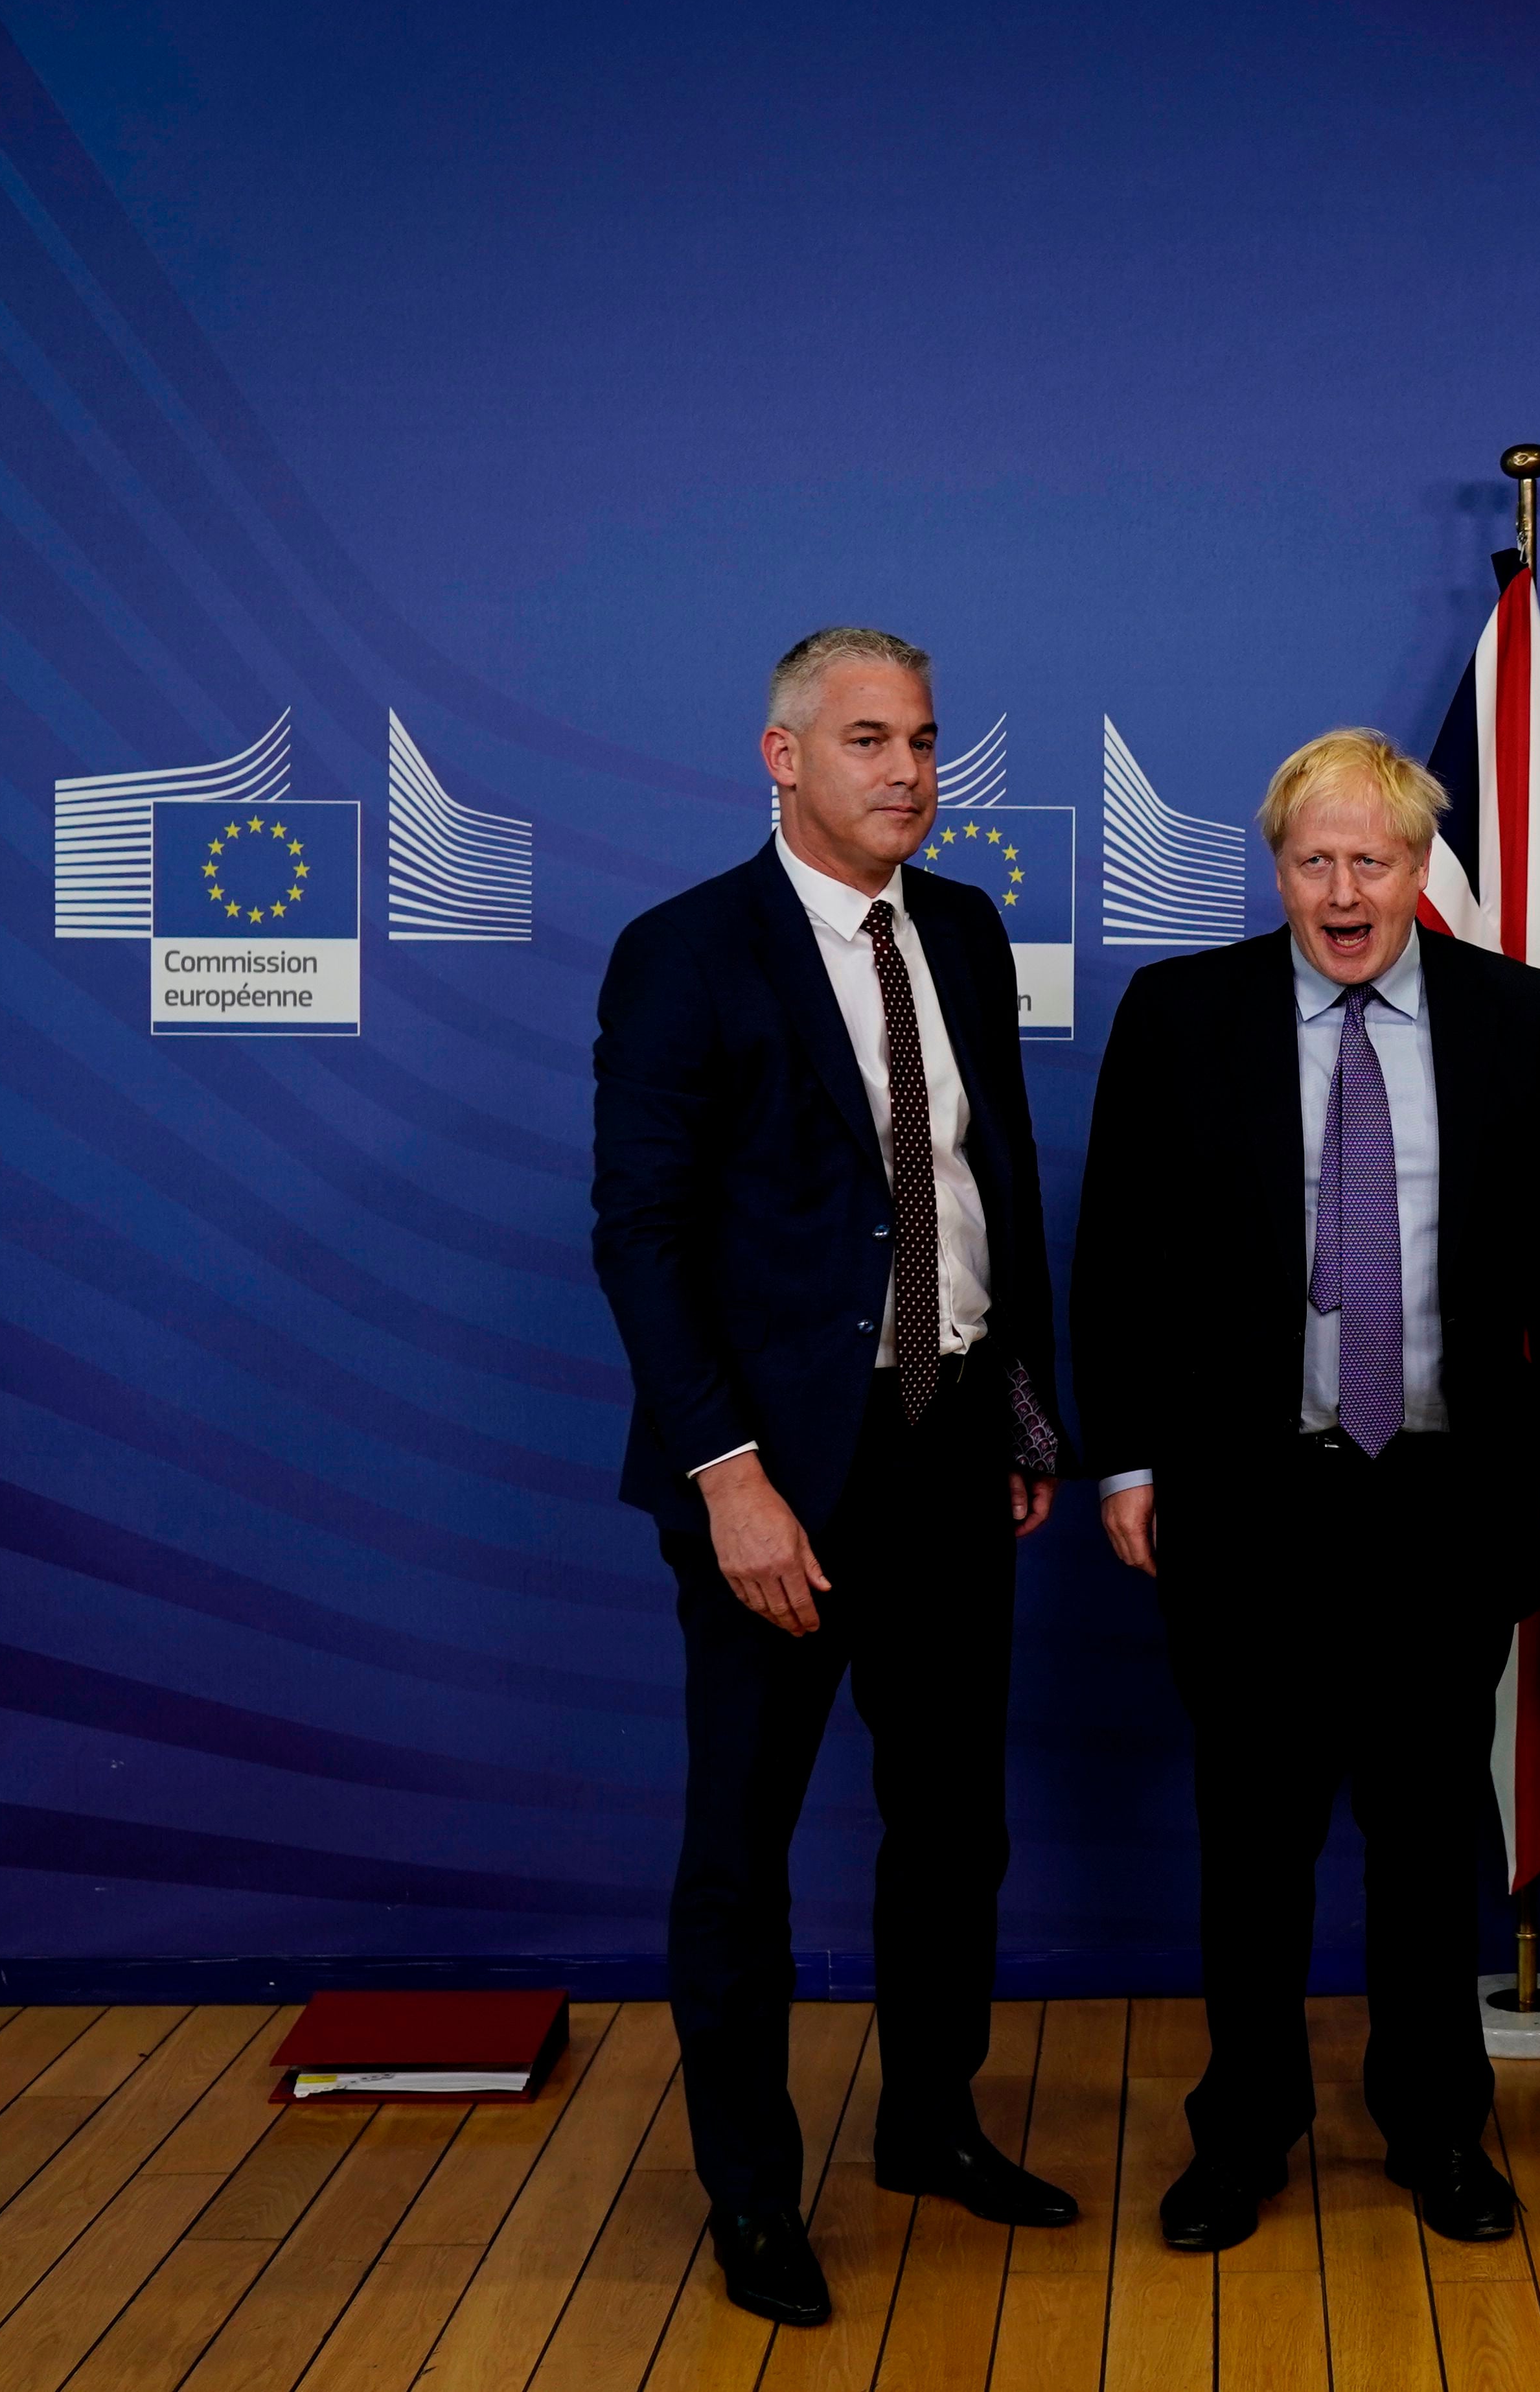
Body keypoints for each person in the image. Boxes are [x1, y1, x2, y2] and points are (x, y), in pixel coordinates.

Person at [1072, 728, 1540, 2255]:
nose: (1343, 888)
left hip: (1445, 1499)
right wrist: (1125, 1455)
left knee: (1430, 1841)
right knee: (1252, 1843)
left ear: (1420, 868)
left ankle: (1439, 2127)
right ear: (1278, 870)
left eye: (1371, 858)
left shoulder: (1514, 1014)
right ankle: (1241, 2130)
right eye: (1313, 859)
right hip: (1250, 1506)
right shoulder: (1184, 1013)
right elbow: (1117, 1259)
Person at [591, 627, 1078, 2330]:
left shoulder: (957, 927)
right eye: (869, 739)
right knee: (742, 1841)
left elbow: (988, 1181)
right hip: (776, 1476)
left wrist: (1021, 1407)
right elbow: (641, 1239)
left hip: (948, 1452)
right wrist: (729, 1478)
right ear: (780, 757)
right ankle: (748, 2191)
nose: (909, 771)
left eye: (927, 739)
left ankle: (930, 2123)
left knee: (955, 1826)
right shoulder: (684, 954)